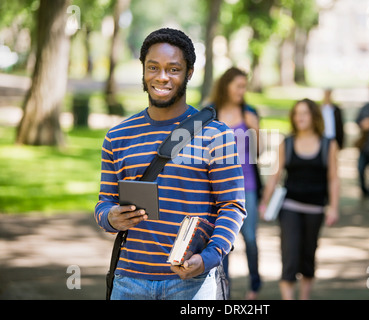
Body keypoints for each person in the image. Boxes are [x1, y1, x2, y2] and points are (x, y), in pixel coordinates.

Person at [94, 28, 246, 300]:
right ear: (143, 70)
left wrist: (210, 257)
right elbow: (104, 202)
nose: (161, 77)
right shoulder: (117, 136)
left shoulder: (215, 134)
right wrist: (110, 217)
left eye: (173, 69)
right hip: (129, 282)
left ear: (188, 73)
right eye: (153, 67)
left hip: (191, 284)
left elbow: (232, 205)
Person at [259, 98, 339, 300]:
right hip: (289, 207)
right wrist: (264, 202)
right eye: (296, 113)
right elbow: (275, 175)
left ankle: (304, 297)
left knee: (308, 256)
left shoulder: (328, 144)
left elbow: (333, 179)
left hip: (316, 209)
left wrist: (334, 208)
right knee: (290, 256)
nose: (300, 117)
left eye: (304, 113)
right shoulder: (287, 143)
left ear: (314, 116)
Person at [205, 67, 262, 300]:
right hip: (216, 189)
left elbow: (259, 153)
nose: (242, 90)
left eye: (244, 86)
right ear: (226, 86)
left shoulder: (250, 112)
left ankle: (254, 285)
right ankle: (223, 290)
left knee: (249, 238)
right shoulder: (209, 113)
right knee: (222, 241)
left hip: (247, 186)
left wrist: (255, 129)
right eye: (238, 85)